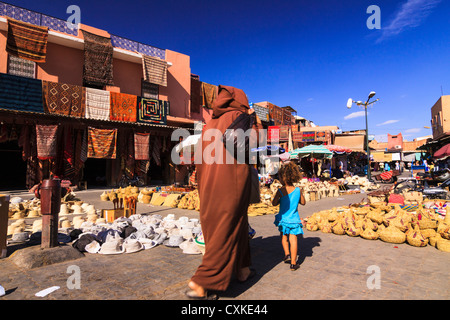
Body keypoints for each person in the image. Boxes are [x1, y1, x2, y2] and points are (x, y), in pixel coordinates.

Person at [186, 85, 262, 300]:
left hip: (208, 182)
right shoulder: (239, 116)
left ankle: (243, 269)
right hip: (231, 179)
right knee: (225, 226)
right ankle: (202, 280)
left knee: (235, 223)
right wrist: (254, 121)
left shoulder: (209, 123)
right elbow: (252, 144)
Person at [271, 162, 306, 271]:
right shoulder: (298, 190)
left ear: (282, 177)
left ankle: (287, 253)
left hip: (283, 219)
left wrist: (279, 197)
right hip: (294, 220)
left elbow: (274, 203)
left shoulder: (281, 191)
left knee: (283, 237)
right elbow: (303, 202)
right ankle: (293, 263)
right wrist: (301, 194)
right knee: (293, 240)